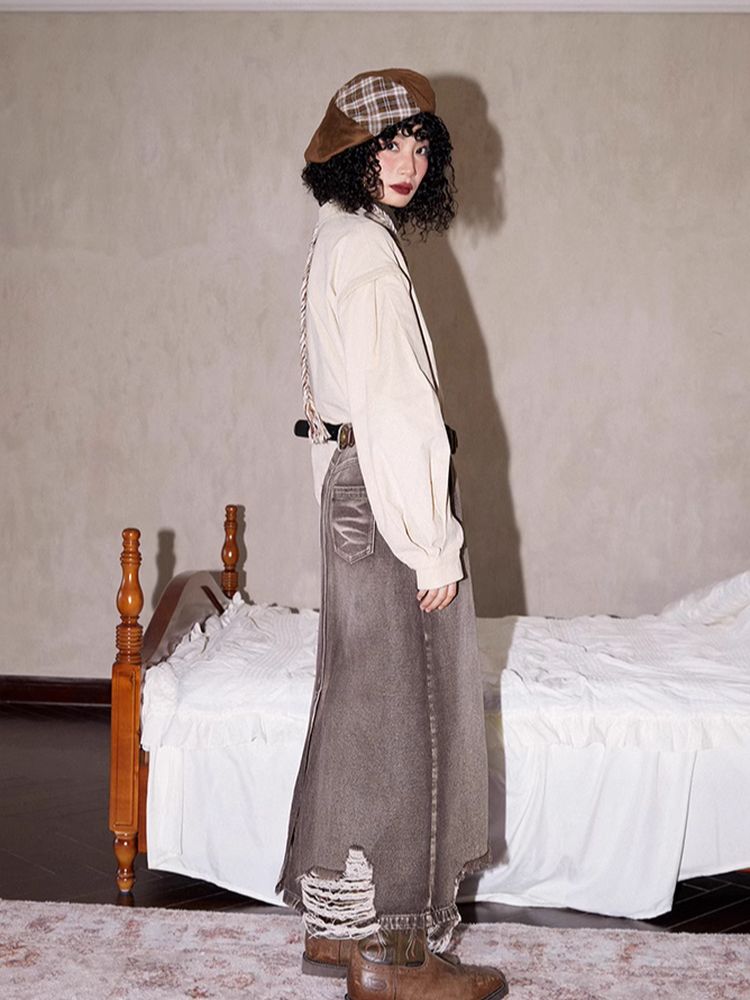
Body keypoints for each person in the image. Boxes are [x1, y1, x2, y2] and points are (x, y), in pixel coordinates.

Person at [277, 69, 508, 1000]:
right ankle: (401, 958)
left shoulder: (336, 237)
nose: (406, 162)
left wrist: (345, 505)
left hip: (350, 488)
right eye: (387, 145)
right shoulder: (368, 252)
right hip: (383, 493)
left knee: (359, 710)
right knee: (416, 721)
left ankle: (339, 931)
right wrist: (431, 538)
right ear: (350, 154)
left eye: (419, 144)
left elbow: (329, 414)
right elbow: (399, 410)